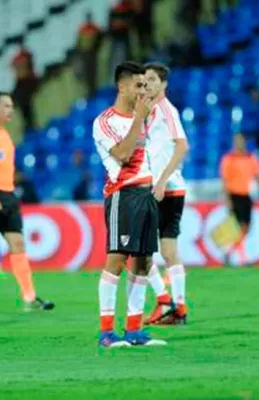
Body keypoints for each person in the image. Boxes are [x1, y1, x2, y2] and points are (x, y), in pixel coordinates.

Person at [93, 61, 166, 347]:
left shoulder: (142, 118)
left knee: (144, 261)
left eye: (144, 86)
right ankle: (106, 333)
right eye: (138, 85)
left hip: (145, 194)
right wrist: (138, 118)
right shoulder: (105, 121)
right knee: (117, 259)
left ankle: (134, 330)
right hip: (123, 195)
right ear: (121, 86)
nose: (142, 91)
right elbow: (123, 154)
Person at [0, 92, 53, 312]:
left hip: (7, 195)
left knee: (18, 244)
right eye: (7, 106)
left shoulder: (4, 134)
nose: (11, 110)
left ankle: (30, 298)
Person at [141, 62, 189, 326]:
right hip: (165, 189)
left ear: (164, 84)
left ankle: (164, 301)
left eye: (152, 79)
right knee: (168, 250)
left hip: (164, 190)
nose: (147, 83)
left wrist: (160, 181)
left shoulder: (166, 110)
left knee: (140, 252)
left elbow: (182, 146)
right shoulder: (149, 111)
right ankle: (178, 309)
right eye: (144, 79)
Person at [219, 133, 259, 265]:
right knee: (238, 226)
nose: (239, 143)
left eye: (241, 141)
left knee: (246, 227)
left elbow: (258, 175)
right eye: (236, 141)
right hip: (234, 194)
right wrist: (227, 199)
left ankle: (228, 252)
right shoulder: (228, 159)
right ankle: (242, 258)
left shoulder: (251, 158)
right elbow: (225, 180)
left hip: (246, 195)